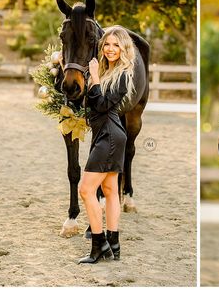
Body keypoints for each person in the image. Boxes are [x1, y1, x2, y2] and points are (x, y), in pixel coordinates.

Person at [78, 26, 137, 264]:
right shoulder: (107, 70)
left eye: (116, 45)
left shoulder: (123, 73)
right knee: (111, 191)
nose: (110, 49)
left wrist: (93, 78)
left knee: (85, 189)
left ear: (124, 48)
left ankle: (99, 243)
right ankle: (114, 243)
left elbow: (101, 105)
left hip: (110, 136)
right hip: (106, 133)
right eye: (107, 45)